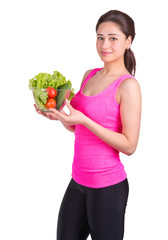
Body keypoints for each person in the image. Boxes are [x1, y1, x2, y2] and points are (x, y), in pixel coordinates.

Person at [35, 9, 141, 240]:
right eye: (100, 37)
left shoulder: (128, 86)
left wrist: (84, 120)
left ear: (128, 41)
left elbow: (129, 145)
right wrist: (59, 118)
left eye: (113, 38)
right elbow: (78, 127)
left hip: (108, 187)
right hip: (78, 181)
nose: (105, 45)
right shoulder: (89, 75)